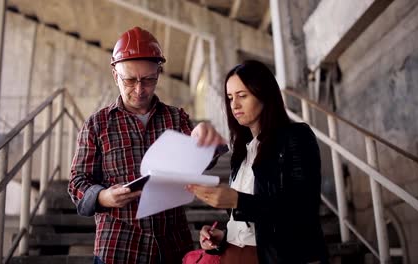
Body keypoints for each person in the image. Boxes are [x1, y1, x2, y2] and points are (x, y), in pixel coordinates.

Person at [68, 27, 226, 264]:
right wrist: (102, 197)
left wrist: (206, 141)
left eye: (149, 80)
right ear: (115, 74)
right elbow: (77, 182)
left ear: (159, 73)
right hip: (119, 247)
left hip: (173, 245)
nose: (140, 89)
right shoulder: (97, 124)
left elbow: (197, 163)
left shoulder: (176, 118)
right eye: (130, 80)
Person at [187, 60, 329, 264]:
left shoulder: (296, 137)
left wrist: (238, 200)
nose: (234, 105)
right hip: (233, 255)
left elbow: (301, 210)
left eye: (242, 96)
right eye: (230, 97)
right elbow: (251, 224)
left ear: (264, 95)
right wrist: (224, 236)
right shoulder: (241, 152)